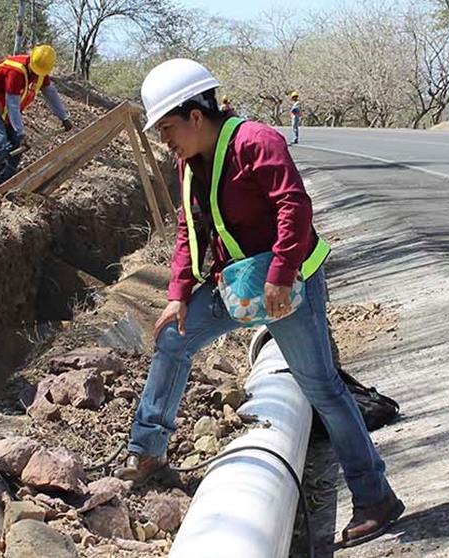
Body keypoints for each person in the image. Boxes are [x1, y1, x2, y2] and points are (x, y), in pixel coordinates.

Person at [115, 59, 403, 548]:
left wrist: (281, 275)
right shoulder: (189, 165)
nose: (165, 140)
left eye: (167, 128)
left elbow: (295, 206)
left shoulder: (256, 142)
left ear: (196, 116)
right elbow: (188, 231)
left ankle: (375, 496)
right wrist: (178, 293)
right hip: (240, 284)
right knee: (172, 338)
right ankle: (149, 451)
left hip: (288, 286)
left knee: (322, 390)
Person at [0, 44, 73, 183]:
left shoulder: (41, 72)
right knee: (1, 142)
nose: (36, 74)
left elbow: (51, 94)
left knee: (16, 145)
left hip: (7, 100)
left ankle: (6, 180)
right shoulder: (15, 71)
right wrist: (21, 133)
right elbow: (12, 105)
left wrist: (64, 117)